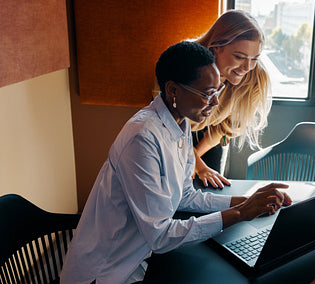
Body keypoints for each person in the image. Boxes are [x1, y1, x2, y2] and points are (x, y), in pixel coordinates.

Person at [60, 41, 291, 284]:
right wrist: (240, 213)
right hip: (105, 273)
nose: (215, 103)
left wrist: (248, 202)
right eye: (207, 93)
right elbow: (160, 236)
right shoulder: (142, 138)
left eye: (217, 90)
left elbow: (185, 196)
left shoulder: (180, 123)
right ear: (173, 90)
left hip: (139, 260)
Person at [190, 10, 272, 189]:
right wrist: (194, 163)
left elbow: (224, 128)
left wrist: (199, 164)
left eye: (254, 59)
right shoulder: (186, 68)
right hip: (175, 135)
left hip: (210, 137)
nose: (247, 67)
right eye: (239, 57)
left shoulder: (255, 78)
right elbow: (171, 133)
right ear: (216, 48)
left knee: (211, 190)